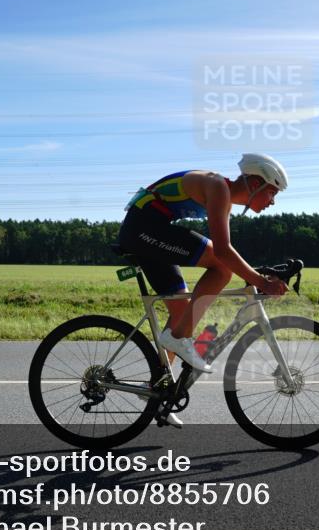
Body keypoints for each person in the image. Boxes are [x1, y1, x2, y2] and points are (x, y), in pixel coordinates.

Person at [117, 154, 290, 425]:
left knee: (180, 313)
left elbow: (227, 248)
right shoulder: (218, 187)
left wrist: (257, 275)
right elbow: (222, 252)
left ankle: (159, 391)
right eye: (271, 192)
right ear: (255, 182)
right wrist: (260, 281)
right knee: (221, 269)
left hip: (148, 230)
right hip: (143, 230)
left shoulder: (222, 196)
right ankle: (181, 339)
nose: (273, 202)